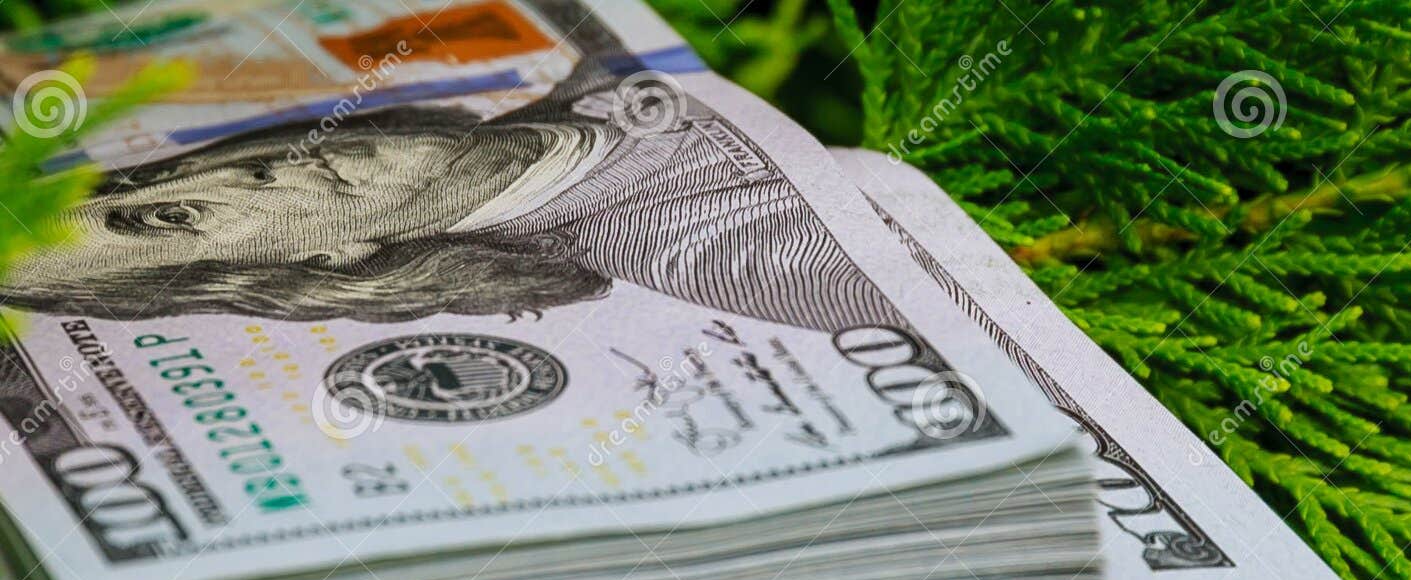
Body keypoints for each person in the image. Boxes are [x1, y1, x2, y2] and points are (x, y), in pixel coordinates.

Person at [1, 66, 906, 333]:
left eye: (141, 180)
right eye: (169, 216)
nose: (215, 172)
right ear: (330, 261)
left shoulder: (551, 70)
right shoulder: (696, 245)